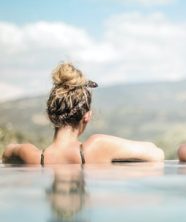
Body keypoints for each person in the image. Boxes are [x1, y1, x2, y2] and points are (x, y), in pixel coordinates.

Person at [2, 63, 164, 165]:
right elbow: (156, 153)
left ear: (50, 115)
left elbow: (8, 151)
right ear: (87, 116)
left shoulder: (32, 156)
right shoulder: (97, 146)